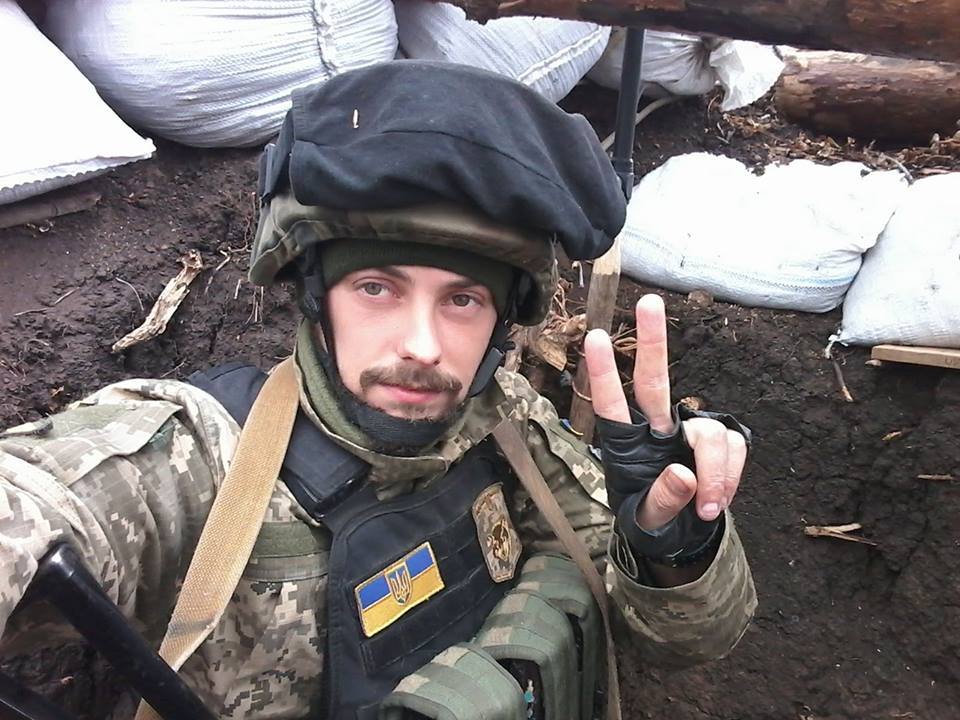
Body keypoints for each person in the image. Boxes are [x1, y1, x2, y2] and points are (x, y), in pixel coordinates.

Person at [0, 61, 756, 719]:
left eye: (462, 299)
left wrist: (669, 545)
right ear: (315, 297)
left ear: (501, 320)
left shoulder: (506, 428)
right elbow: (41, 498)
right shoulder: (197, 460)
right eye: (376, 288)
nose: (422, 345)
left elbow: (684, 642)